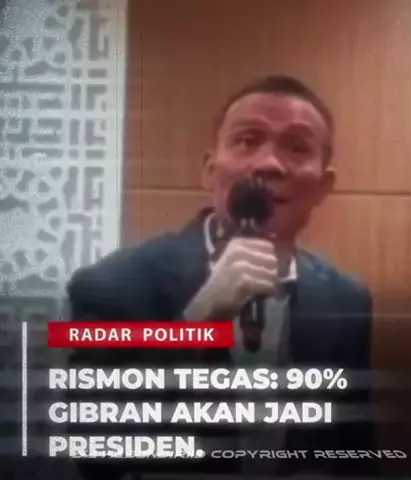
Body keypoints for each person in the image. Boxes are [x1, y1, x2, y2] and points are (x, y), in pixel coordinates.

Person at [66, 75, 378, 478]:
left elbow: (355, 452)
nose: (268, 164)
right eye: (247, 140)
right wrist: (197, 321)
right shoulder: (112, 286)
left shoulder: (347, 301)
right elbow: (94, 456)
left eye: (297, 147)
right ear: (210, 172)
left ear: (324, 185)